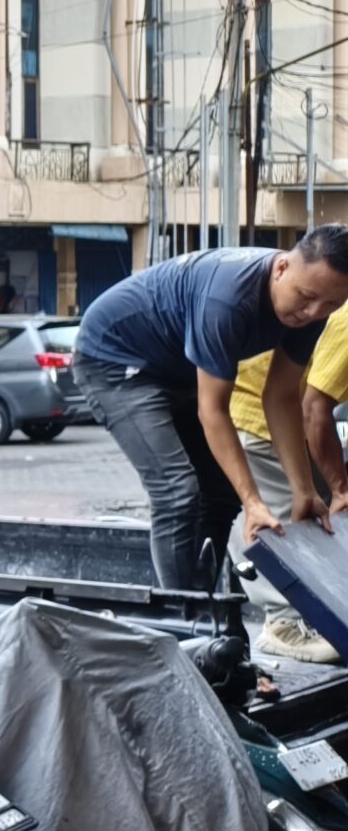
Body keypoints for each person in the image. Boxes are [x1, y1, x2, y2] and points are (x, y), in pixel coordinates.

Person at [70, 229, 348, 592]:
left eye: (330, 305)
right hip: (114, 360)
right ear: (281, 268)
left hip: (175, 367)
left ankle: (203, 600)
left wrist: (304, 490)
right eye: (307, 297)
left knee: (219, 488)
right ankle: (184, 617)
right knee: (176, 489)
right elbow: (213, 411)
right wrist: (253, 501)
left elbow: (280, 397)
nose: (313, 312)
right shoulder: (229, 300)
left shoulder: (312, 309)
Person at [227, 313, 348, 661]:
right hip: (264, 413)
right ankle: (283, 621)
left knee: (323, 515)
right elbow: (315, 408)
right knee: (284, 519)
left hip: (296, 406)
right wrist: (339, 488)